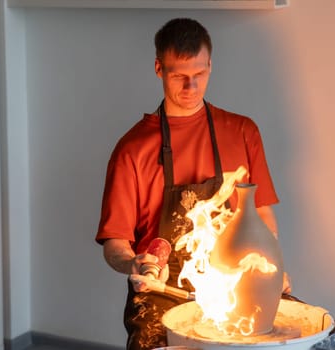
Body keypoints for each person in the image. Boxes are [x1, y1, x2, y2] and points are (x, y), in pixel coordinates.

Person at [96, 18, 287, 350]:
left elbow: (263, 217)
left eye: (199, 75)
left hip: (235, 287)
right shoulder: (133, 150)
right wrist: (133, 263)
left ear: (210, 64)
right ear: (159, 68)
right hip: (161, 292)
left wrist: (270, 265)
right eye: (179, 76)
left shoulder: (242, 132)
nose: (191, 87)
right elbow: (115, 245)